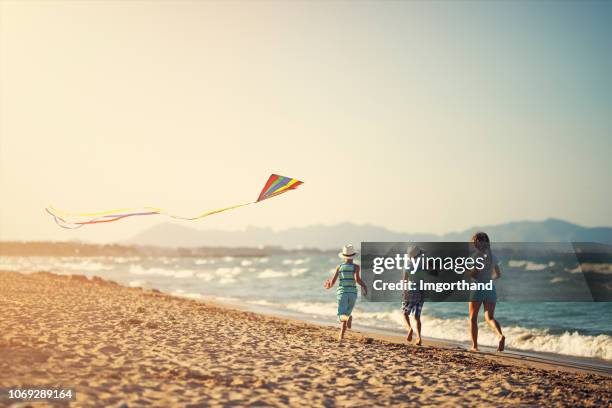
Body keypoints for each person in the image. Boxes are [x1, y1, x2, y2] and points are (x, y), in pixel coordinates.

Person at [467, 232, 505, 352]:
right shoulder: (493, 257)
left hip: (477, 288)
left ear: (476, 244)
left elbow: (474, 273)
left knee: (473, 318)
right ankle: (500, 335)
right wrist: (488, 279)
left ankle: (474, 346)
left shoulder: (476, 257)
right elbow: (498, 274)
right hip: (490, 288)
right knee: (489, 317)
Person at [324, 244, 367, 342]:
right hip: (352, 294)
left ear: (343, 256)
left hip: (342, 293)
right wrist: (364, 286)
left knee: (341, 315)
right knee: (346, 314)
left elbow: (333, 282)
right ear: (353, 256)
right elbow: (357, 279)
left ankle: (348, 320)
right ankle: (341, 336)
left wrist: (328, 286)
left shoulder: (339, 267)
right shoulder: (356, 267)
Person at [402, 245, 425, 345]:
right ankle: (419, 337)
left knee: (405, 313)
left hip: (411, 291)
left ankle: (409, 329)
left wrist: (405, 292)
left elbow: (405, 281)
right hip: (421, 292)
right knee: (417, 317)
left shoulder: (408, 265)